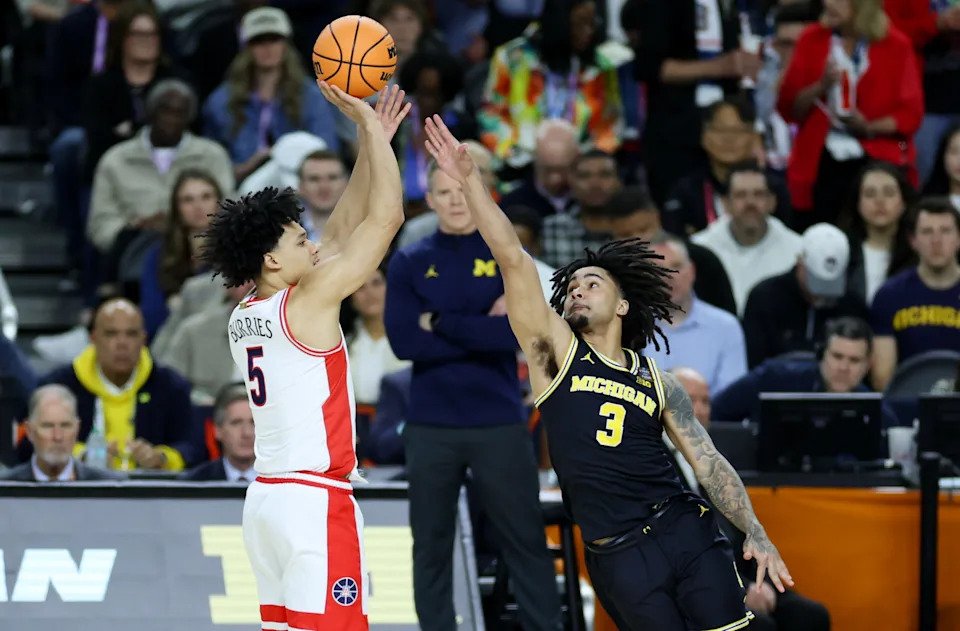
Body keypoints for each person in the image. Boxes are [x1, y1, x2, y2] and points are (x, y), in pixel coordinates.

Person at [423, 115, 792, 631]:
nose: (577, 289)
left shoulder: (658, 380)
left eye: (592, 283)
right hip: (617, 552)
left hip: (683, 528)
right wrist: (470, 183)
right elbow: (513, 259)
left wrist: (754, 529)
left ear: (622, 306)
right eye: (571, 286)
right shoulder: (555, 356)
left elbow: (708, 462)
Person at [200, 83, 408, 630]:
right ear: (271, 259)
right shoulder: (308, 301)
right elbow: (386, 219)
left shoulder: (246, 312)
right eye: (299, 240)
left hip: (266, 501)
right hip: (314, 501)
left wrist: (371, 144)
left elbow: (339, 231)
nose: (313, 245)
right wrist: (370, 128)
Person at [383, 162, 563, 631]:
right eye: (443, 192)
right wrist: (482, 326)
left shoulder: (508, 255)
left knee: (523, 536)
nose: (455, 200)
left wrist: (441, 321)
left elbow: (518, 334)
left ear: (480, 192)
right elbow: (404, 341)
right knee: (431, 542)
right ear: (431, 200)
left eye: (462, 190)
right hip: (431, 423)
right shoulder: (409, 260)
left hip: (498, 419)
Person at [668, 369, 833, 631]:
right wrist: (741, 589)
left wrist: (760, 583)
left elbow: (739, 533)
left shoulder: (715, 458)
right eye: (690, 400)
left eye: (706, 401)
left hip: (736, 571)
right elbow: (682, 548)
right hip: (691, 585)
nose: (699, 410)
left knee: (810, 616)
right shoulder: (656, 461)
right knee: (760, 627)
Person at [777, 0, 924, 228]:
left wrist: (868, 127)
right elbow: (790, 108)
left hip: (879, 154)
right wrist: (821, 86)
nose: (828, 3)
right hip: (821, 159)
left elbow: (911, 115)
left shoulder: (896, 44)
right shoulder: (811, 39)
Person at [38, 297, 200, 471]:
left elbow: (191, 447)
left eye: (131, 334)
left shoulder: (171, 386)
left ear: (143, 339)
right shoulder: (60, 386)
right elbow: (35, 441)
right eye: (111, 334)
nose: (122, 344)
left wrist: (162, 458)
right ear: (93, 338)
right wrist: (81, 456)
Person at [742, 223, 870, 367]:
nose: (821, 293)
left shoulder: (852, 305)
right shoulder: (765, 299)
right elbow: (754, 364)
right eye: (817, 280)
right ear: (800, 261)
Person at [713, 317, 874, 424]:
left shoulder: (872, 406)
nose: (844, 368)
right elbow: (716, 412)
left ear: (867, 366)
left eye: (854, 360)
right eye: (837, 357)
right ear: (821, 355)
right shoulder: (774, 378)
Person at [870, 198, 960, 390]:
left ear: (958, 238)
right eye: (927, 232)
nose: (936, 241)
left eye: (945, 231)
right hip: (907, 402)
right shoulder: (889, 296)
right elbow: (882, 380)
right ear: (913, 241)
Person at [691, 162, 803, 314]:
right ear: (726, 204)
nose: (750, 203)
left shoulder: (797, 251)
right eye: (740, 195)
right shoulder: (700, 249)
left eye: (758, 194)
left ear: (772, 202)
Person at [644, 235, 747, 395]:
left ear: (692, 271)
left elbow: (732, 399)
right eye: (659, 269)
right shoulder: (631, 326)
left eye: (676, 266)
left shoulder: (725, 327)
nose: (669, 277)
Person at [0, 385, 123, 482]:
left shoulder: (107, 487)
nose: (58, 436)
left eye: (65, 425)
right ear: (29, 431)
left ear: (77, 429)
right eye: (48, 426)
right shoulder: (6, 488)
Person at [837, 160, 917, 306]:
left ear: (903, 202)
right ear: (857, 203)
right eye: (870, 194)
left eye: (889, 193)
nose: (879, 201)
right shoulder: (842, 253)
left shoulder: (918, 255)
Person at [180, 383, 256, 482]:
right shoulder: (193, 482)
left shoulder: (277, 482)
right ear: (217, 430)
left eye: (253, 423)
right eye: (236, 423)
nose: (247, 433)